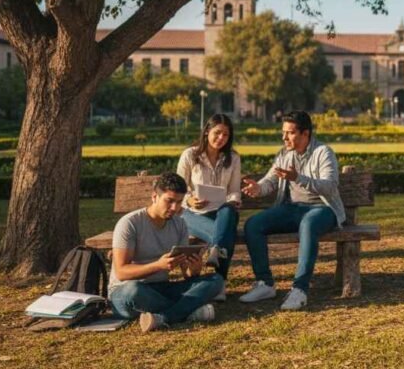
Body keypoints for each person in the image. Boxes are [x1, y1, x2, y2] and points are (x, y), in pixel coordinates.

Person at [240, 111, 346, 311]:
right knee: (253, 224)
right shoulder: (284, 154)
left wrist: (298, 178)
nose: (284, 137)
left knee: (308, 225)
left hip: (322, 209)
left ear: (305, 133)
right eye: (283, 132)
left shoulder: (323, 152)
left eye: (290, 133)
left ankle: (300, 289)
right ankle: (265, 284)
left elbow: (330, 186)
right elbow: (271, 181)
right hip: (293, 209)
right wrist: (258, 188)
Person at [108, 173, 223, 333]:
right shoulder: (130, 223)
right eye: (169, 201)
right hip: (126, 291)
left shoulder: (180, 224)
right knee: (133, 290)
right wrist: (157, 266)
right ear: (154, 197)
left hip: (160, 288)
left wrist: (194, 270)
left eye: (179, 202)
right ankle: (188, 311)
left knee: (216, 280)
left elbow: (187, 273)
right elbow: (121, 272)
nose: (174, 208)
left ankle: (165, 317)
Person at [177, 113, 242, 301]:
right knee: (226, 235)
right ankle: (219, 282)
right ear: (207, 131)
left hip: (222, 213)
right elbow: (178, 189)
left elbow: (234, 190)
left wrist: (233, 200)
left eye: (226, 135)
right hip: (192, 214)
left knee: (228, 211)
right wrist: (189, 200)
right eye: (217, 133)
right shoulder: (190, 155)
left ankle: (216, 256)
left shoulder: (233, 158)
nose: (221, 138)